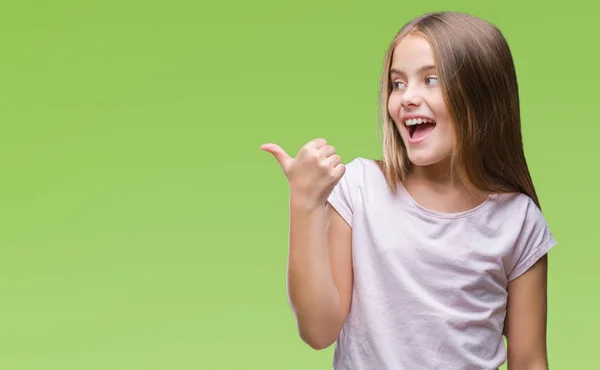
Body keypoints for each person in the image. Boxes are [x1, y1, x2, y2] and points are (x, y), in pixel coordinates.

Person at [261, 11, 556, 370]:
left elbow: (529, 361)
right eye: (397, 83)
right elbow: (318, 331)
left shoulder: (518, 220)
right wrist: (305, 204)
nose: (406, 98)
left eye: (431, 80)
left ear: (481, 95)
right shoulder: (360, 189)